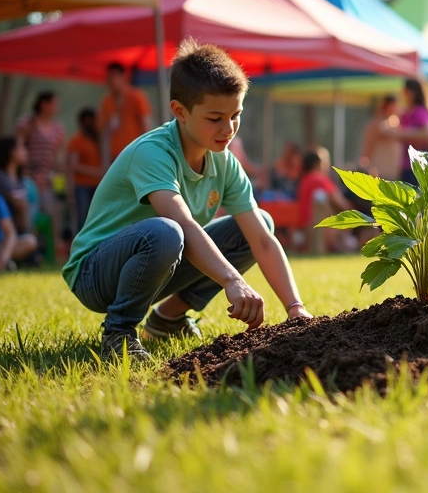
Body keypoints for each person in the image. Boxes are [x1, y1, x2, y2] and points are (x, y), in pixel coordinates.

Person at [63, 39, 313, 361]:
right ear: (180, 111)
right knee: (167, 231)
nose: (228, 128)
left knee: (258, 223)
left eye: (235, 115)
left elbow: (262, 241)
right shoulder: (152, 153)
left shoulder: (224, 161)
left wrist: (296, 308)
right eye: (215, 118)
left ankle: (169, 319)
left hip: (161, 260)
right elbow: (181, 223)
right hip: (96, 273)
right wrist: (232, 280)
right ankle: (119, 333)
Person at [17, 91, 66, 245]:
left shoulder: (57, 129)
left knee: (49, 213)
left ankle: (46, 247)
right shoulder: (27, 123)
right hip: (27, 178)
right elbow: (19, 147)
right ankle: (27, 242)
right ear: (44, 104)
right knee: (30, 213)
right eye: (54, 103)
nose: (56, 107)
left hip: (47, 180)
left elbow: (58, 155)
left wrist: (60, 179)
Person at [386, 78, 428, 186]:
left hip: (420, 167)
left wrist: (399, 134)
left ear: (411, 93)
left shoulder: (420, 112)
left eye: (404, 92)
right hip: (411, 166)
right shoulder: (410, 113)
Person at [295, 147, 353, 253]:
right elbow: (342, 204)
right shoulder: (319, 179)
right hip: (323, 233)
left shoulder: (304, 180)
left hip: (307, 231)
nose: (327, 166)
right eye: (325, 161)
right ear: (317, 164)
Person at [98, 62, 154, 161]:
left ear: (123, 77)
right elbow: (104, 132)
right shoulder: (106, 101)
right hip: (115, 157)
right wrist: (105, 160)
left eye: (113, 77)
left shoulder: (136, 97)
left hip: (135, 154)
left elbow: (146, 125)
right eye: (109, 77)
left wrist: (147, 152)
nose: (110, 81)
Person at [66, 107, 104, 233]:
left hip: (99, 185)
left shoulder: (99, 139)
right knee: (83, 218)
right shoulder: (76, 141)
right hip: (82, 186)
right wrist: (95, 171)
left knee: (98, 217)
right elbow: (74, 165)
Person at [0, 136, 33, 236]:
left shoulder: (20, 179)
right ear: (11, 152)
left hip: (17, 226)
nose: (25, 151)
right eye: (21, 148)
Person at [358, 94, 403, 180]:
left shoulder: (397, 121)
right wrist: (365, 160)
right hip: (379, 166)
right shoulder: (375, 122)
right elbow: (368, 143)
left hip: (394, 167)